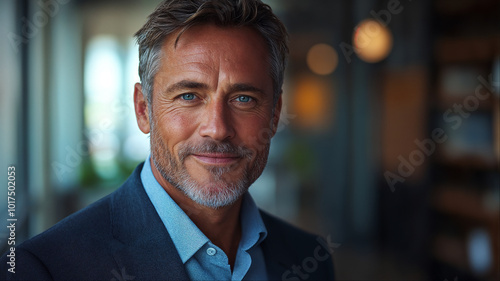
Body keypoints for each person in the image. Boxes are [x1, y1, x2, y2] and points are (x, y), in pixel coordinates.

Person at [1, 0, 335, 280]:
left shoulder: (311, 258)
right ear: (144, 110)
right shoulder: (43, 268)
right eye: (189, 95)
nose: (217, 129)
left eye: (244, 98)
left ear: (275, 114)